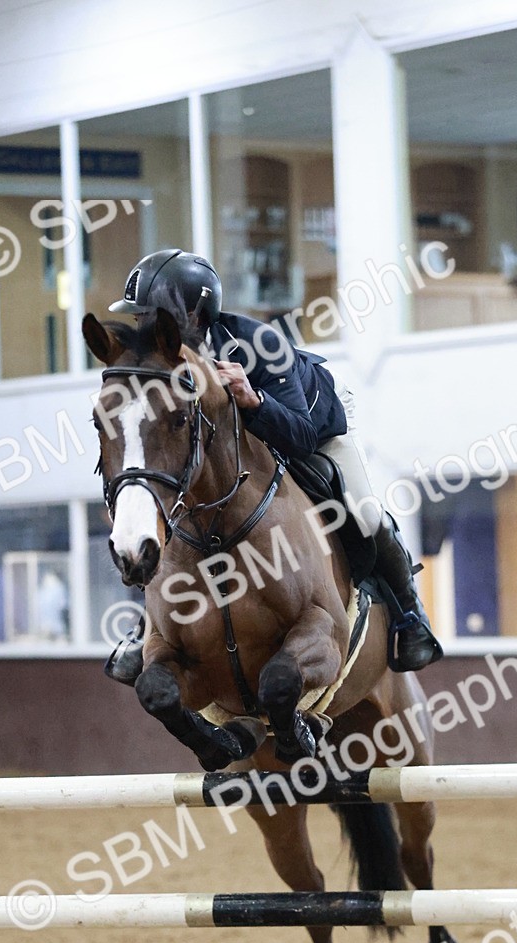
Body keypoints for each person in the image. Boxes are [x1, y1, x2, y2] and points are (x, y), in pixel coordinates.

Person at [104, 248, 442, 683]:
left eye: (149, 316)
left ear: (190, 312)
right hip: (241, 452)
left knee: (365, 510)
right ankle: (148, 626)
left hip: (314, 428)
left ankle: (410, 616)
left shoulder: (260, 345)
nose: (141, 328)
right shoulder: (160, 366)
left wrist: (254, 399)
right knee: (161, 513)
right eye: (138, 319)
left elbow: (300, 434)